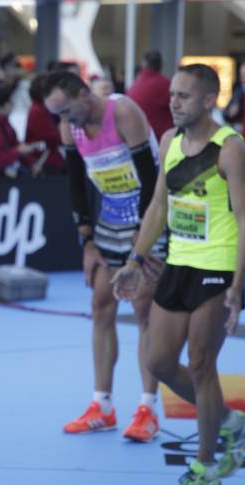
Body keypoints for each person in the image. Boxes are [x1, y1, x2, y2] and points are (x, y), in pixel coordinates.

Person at [112, 64, 245, 484]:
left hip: (217, 267)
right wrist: (135, 261)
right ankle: (230, 421)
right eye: (172, 94)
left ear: (209, 100)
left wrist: (238, 283)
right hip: (179, 263)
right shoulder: (168, 141)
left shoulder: (230, 148)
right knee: (158, 361)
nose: (172, 102)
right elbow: (159, 206)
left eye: (183, 96)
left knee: (200, 364)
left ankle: (207, 464)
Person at [43, 71, 165, 442]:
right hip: (110, 218)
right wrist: (88, 243)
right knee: (101, 304)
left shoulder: (123, 112)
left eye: (67, 110)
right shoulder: (71, 127)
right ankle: (103, 406)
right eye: (57, 115)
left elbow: (150, 179)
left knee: (144, 308)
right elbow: (76, 185)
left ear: (84, 94)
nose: (65, 121)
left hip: (150, 215)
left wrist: (140, 244)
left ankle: (148, 409)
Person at [127, 50, 173, 142]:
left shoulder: (133, 86)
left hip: (140, 139)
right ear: (162, 64)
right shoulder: (166, 85)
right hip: (160, 141)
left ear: (143, 65)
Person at [24, 74, 65, 176]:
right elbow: (51, 137)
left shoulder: (41, 108)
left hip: (49, 158)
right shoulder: (38, 111)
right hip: (45, 160)